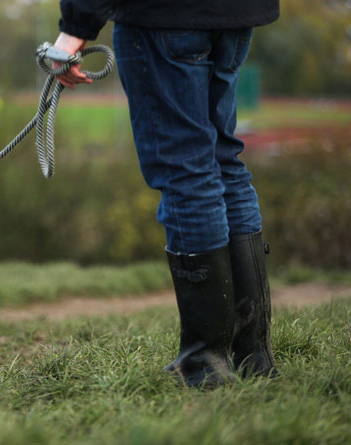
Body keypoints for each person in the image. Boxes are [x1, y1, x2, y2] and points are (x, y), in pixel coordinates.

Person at [53, 0, 280, 387]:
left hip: (163, 17)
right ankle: (251, 356)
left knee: (186, 171)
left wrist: (76, 27)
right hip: (237, 12)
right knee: (224, 161)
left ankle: (205, 363)